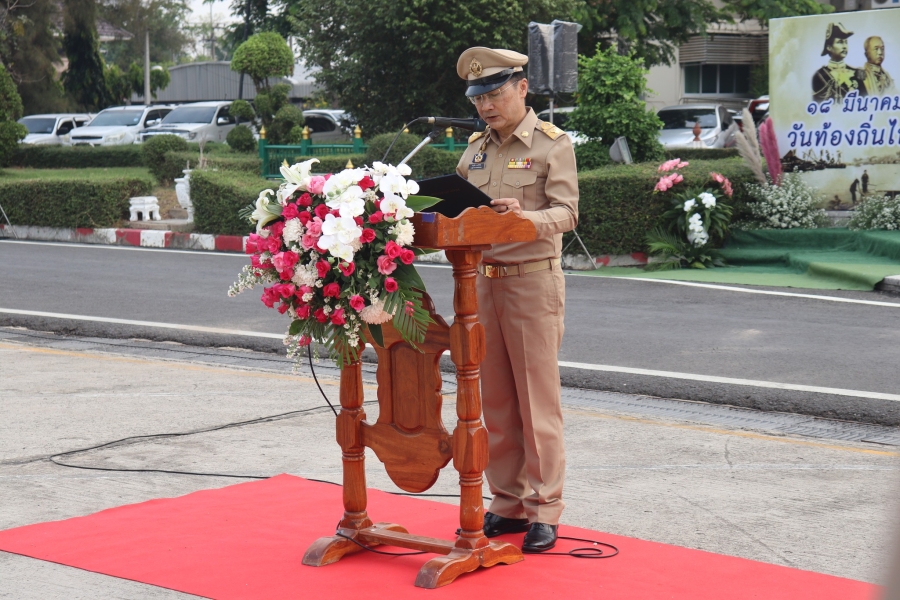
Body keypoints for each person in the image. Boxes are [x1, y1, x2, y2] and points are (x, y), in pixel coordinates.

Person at [454, 46, 578, 553]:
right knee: (497, 402)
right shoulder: (474, 151)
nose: (486, 105)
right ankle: (507, 503)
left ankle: (544, 510)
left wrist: (523, 218)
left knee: (537, 401)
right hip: (481, 282)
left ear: (521, 88)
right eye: (478, 96)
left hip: (532, 281)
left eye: (495, 92)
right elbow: (456, 208)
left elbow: (568, 213)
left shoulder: (553, 144)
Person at [812, 23, 861, 104]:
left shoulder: (857, 74)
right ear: (829, 47)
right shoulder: (819, 76)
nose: (844, 46)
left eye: (846, 42)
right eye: (840, 42)